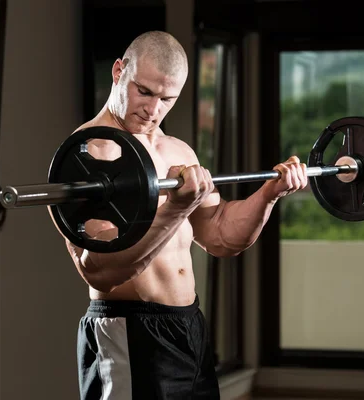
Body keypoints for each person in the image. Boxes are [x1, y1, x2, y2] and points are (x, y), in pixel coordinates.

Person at [48, 30, 307, 399]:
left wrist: (270, 193)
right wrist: (176, 208)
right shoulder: (90, 153)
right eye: (145, 92)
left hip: (188, 327)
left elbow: (219, 236)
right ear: (119, 71)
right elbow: (101, 271)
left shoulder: (178, 150)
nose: (153, 110)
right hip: (129, 330)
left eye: (167, 99)